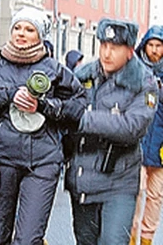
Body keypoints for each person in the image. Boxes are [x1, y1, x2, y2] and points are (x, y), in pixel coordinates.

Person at [0, 6, 86, 245]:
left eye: (29, 29)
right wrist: (8, 95)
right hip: (2, 160)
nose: (21, 33)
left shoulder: (55, 70)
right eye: (17, 28)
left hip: (43, 162)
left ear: (40, 36)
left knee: (28, 238)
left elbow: (80, 106)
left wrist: (44, 106)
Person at [65, 19, 156, 245]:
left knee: (113, 241)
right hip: (83, 180)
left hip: (119, 183)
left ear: (129, 50)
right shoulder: (82, 76)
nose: (106, 53)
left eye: (114, 47)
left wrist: (84, 118)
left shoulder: (144, 82)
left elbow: (132, 127)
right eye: (103, 45)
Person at [132, 25, 163, 245]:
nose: (154, 50)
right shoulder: (135, 70)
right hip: (138, 145)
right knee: (137, 195)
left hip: (161, 147)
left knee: (155, 198)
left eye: (158, 46)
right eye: (151, 45)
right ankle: (131, 239)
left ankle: (146, 240)